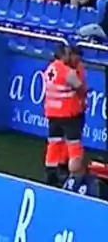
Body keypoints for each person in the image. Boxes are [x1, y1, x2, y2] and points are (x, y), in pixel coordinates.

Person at [43, 43, 88, 186]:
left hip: (52, 113)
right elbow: (80, 87)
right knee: (74, 146)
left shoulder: (49, 69)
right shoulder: (66, 71)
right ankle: (75, 179)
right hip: (69, 114)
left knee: (54, 143)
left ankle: (51, 174)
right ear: (64, 54)